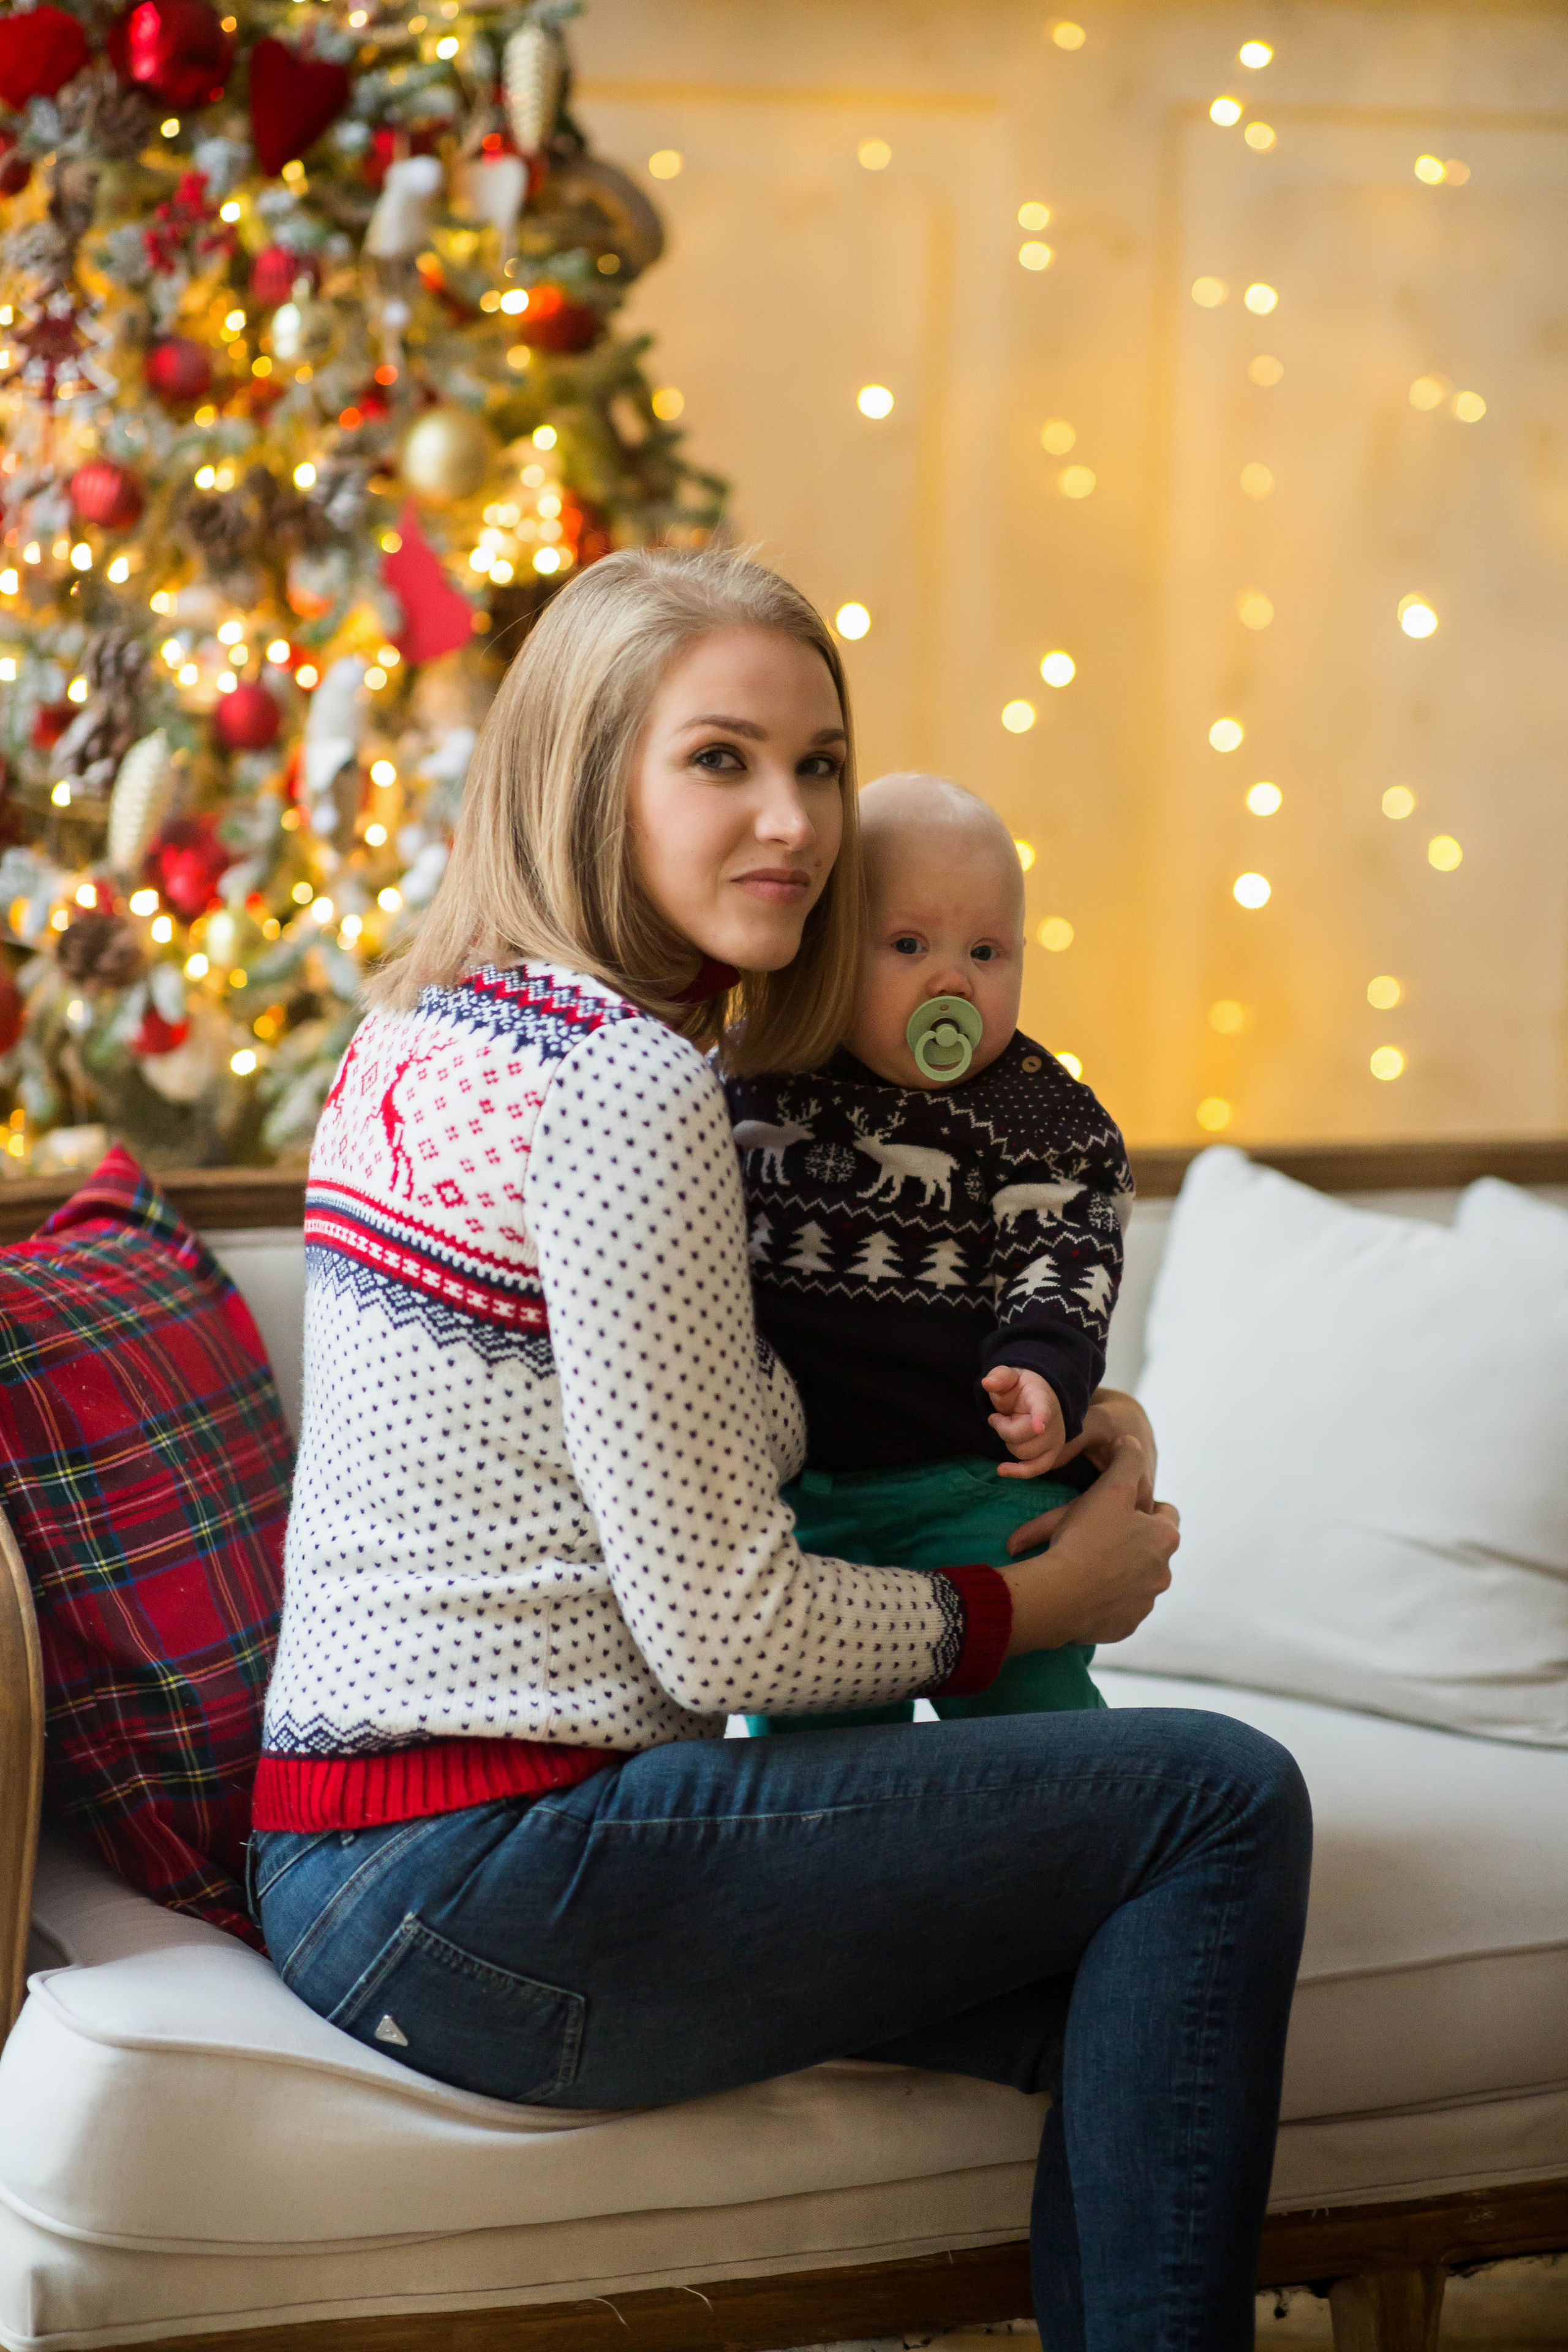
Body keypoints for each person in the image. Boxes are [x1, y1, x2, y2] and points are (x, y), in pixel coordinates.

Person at [251, 547, 1311, 2352]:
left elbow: (731, 1389)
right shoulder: (627, 1084)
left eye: (819, 764)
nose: (795, 823)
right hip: (495, 1875)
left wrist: (1054, 1406)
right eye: (720, 760)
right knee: (1219, 1799)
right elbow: (722, 1634)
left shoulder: (429, 1030)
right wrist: (1035, 1604)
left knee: (1131, 1957)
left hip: (347, 1872)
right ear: (589, 777)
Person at [728, 768, 1132, 1735]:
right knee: (814, 1755)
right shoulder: (750, 1078)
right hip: (797, 1505)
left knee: (1035, 1722)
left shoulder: (1041, 1116)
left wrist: (1045, 1366)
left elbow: (1065, 1247)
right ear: (828, 951)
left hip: (969, 1484)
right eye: (908, 945)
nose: (953, 982)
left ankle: (1066, 1806)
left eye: (986, 952)